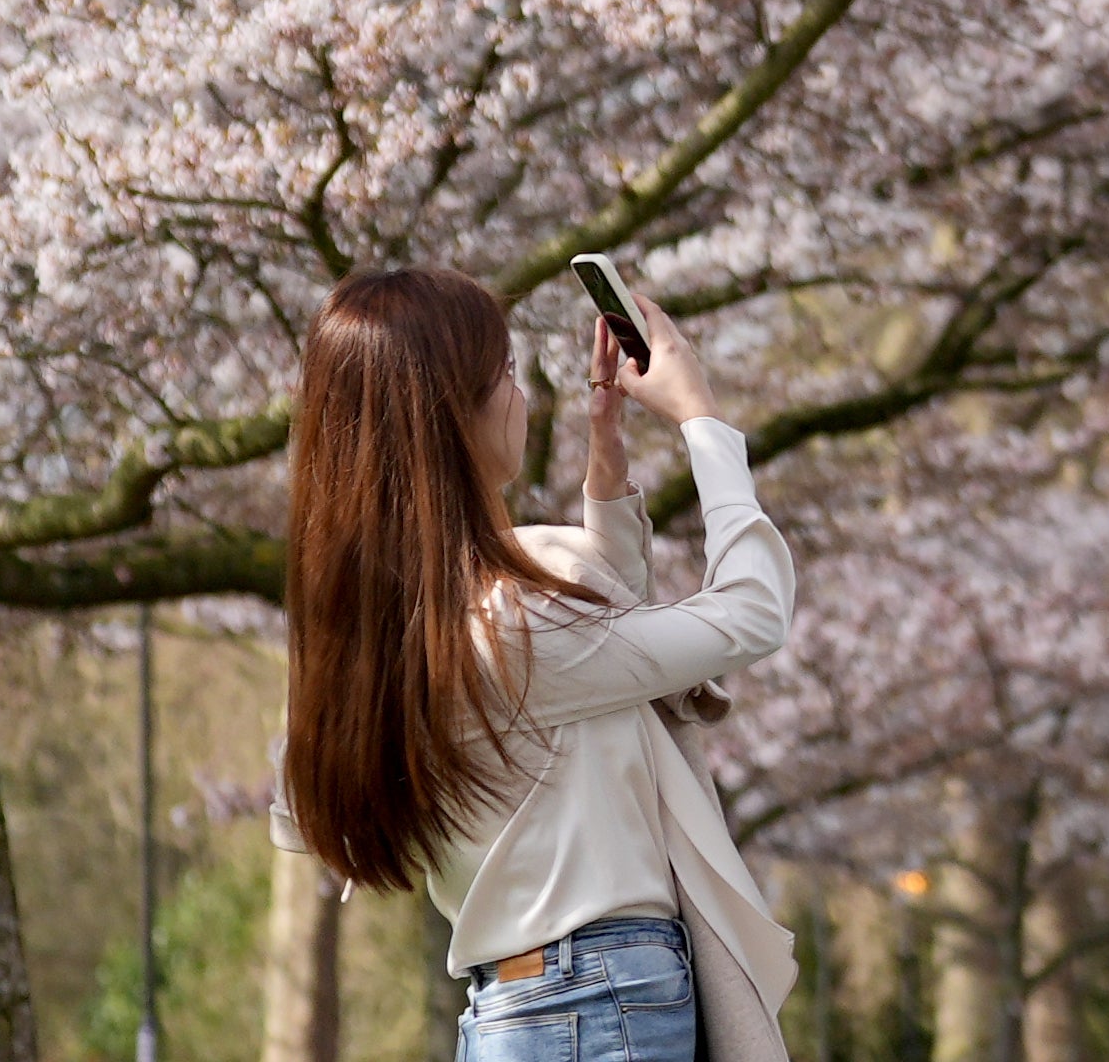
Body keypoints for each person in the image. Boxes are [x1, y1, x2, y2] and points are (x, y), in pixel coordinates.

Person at [275, 265, 800, 1062]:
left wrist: (608, 465)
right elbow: (753, 612)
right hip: (596, 1000)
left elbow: (602, 642)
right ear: (454, 414)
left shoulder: (389, 631)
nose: (523, 399)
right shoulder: (510, 627)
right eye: (509, 375)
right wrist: (703, 423)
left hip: (533, 1007)